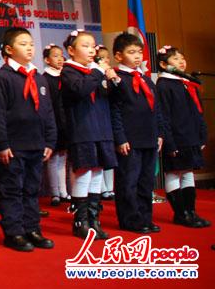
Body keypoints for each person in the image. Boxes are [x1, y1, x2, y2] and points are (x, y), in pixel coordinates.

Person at [0, 28, 56, 252]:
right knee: (12, 190)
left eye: (31, 44)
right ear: (9, 50)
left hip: (36, 143)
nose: (29, 48)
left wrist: (50, 141)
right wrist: (3, 143)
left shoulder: (38, 77)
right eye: (23, 44)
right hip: (13, 146)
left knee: (31, 189)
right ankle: (14, 232)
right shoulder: (2, 77)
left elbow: (47, 112)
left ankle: (32, 228)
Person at [61, 30, 119, 240]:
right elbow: (80, 90)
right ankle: (81, 222)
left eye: (93, 46)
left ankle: (94, 220)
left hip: (101, 129)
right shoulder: (68, 71)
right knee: (84, 173)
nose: (91, 50)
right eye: (85, 46)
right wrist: (98, 72)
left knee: (97, 174)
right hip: (82, 130)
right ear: (71, 50)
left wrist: (113, 80)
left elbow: (113, 98)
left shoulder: (97, 72)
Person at [109, 32, 164, 233]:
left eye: (139, 52)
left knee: (146, 181)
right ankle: (130, 219)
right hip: (129, 139)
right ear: (118, 56)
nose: (137, 56)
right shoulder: (117, 79)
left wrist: (159, 134)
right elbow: (114, 111)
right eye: (131, 52)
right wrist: (120, 138)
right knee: (128, 181)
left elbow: (156, 109)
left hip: (149, 137)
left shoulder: (146, 80)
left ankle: (145, 217)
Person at [156, 45, 209, 228]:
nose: (181, 62)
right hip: (176, 138)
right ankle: (180, 213)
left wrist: (202, 135)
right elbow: (163, 115)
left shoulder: (186, 82)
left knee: (188, 172)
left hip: (191, 137)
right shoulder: (163, 85)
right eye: (176, 59)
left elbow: (197, 112)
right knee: (174, 173)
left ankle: (190, 211)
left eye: (182, 58)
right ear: (163, 64)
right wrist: (169, 142)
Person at [42, 44, 69, 206]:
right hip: (53, 122)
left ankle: (64, 191)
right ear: (47, 59)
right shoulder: (45, 78)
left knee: (63, 158)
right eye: (55, 56)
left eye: (61, 56)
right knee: (53, 158)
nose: (60, 59)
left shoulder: (65, 77)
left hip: (65, 121)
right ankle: (55, 192)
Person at [95, 45, 116, 201]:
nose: (106, 60)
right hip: (98, 120)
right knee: (99, 156)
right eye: (102, 58)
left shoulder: (111, 74)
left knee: (110, 155)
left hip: (110, 119)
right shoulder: (95, 75)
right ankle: (102, 189)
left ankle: (110, 187)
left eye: (107, 57)